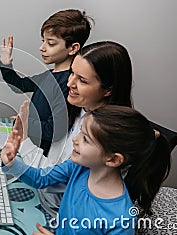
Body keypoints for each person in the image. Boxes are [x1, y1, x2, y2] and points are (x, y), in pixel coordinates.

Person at [1, 105, 172, 234]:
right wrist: (11, 162)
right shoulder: (79, 167)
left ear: (113, 159)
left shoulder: (121, 219)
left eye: (86, 139)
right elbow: (41, 178)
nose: (75, 140)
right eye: (80, 132)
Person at [15, 41, 134, 217]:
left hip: (58, 213)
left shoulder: (102, 137)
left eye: (82, 80)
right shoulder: (79, 109)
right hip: (44, 193)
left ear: (108, 90)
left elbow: (49, 179)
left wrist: (24, 137)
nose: (70, 83)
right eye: (72, 73)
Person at [0, 9, 93, 156]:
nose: (42, 48)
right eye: (43, 41)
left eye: (50, 43)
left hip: (40, 156)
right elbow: (19, 85)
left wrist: (25, 123)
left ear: (73, 48)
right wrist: (5, 64)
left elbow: (54, 131)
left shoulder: (69, 85)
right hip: (27, 145)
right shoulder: (49, 75)